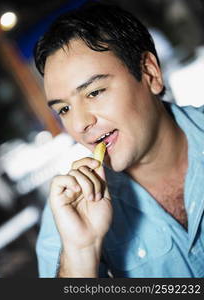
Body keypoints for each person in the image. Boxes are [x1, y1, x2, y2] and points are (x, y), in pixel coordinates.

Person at [34, 2, 204, 278]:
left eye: (94, 92)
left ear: (150, 73)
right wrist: (80, 254)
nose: (79, 124)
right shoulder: (67, 216)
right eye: (64, 109)